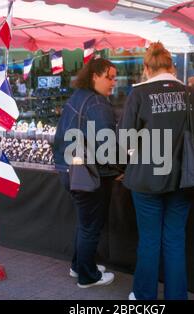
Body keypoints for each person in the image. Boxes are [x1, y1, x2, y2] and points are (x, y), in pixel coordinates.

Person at [120, 42, 194, 300]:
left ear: (147, 68)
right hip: (183, 178)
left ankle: (145, 297)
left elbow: (125, 139)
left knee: (149, 240)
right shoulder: (192, 95)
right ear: (173, 67)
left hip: (146, 178)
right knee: (175, 241)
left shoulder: (138, 94)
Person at [53, 57, 118, 288]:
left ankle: (78, 266)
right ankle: (87, 276)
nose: (113, 83)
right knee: (90, 225)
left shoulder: (79, 96)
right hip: (88, 173)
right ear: (95, 76)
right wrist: (121, 167)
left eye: (114, 78)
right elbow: (107, 145)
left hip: (68, 169)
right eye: (109, 77)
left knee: (84, 222)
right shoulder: (97, 103)